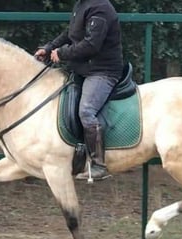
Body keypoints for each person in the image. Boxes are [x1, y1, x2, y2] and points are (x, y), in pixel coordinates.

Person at [35, 0, 123, 181]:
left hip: (102, 71)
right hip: (83, 69)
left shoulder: (100, 8)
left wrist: (62, 54)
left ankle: (98, 164)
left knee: (86, 110)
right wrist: (49, 47)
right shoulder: (82, 5)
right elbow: (71, 34)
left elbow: (91, 45)